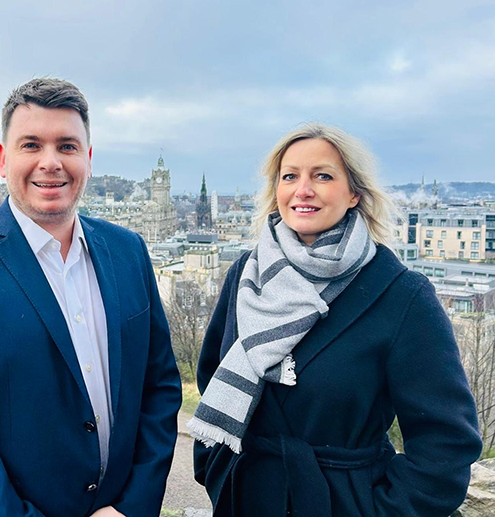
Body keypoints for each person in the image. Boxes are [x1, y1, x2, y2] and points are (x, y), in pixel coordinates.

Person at [0, 78, 181, 517]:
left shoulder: (128, 250)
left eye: (67, 146)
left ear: (88, 159)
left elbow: (159, 387)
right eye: (31, 145)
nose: (50, 162)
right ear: (3, 158)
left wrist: (133, 506)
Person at [190, 123, 482, 516]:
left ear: (354, 193)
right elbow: (212, 376)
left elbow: (445, 443)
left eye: (322, 176)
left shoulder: (401, 294)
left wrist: (376, 509)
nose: (303, 190)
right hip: (244, 499)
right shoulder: (248, 274)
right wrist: (215, 468)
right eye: (289, 176)